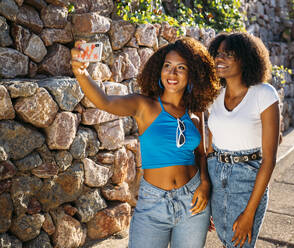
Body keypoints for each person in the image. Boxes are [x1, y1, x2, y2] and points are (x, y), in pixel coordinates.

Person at [70, 37, 220, 248]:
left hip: (192, 201)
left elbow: (201, 154)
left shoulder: (196, 111)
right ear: (159, 70)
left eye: (180, 67)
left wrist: (205, 184)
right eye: (167, 66)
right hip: (153, 202)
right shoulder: (144, 105)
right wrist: (81, 73)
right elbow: (104, 101)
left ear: (192, 73)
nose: (172, 73)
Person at [206, 32, 280, 248]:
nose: (220, 59)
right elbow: (210, 147)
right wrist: (210, 192)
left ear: (246, 58)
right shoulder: (215, 96)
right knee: (225, 242)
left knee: (238, 244)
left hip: (247, 179)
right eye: (218, 54)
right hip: (215, 175)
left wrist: (249, 214)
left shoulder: (264, 94)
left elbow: (269, 160)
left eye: (228, 54)